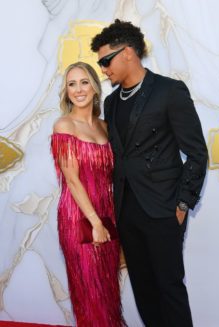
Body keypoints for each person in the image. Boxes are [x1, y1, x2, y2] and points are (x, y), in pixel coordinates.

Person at [90, 19, 208, 326]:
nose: (104, 69)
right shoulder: (112, 102)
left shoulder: (169, 91)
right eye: (100, 64)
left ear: (128, 52)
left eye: (106, 61)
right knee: (143, 288)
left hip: (164, 208)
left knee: (169, 287)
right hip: (127, 209)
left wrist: (183, 204)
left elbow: (197, 152)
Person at [51, 62, 124, 326]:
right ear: (66, 91)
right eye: (72, 84)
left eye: (84, 82)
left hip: (106, 215)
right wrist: (94, 223)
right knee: (90, 292)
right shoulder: (64, 126)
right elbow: (71, 179)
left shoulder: (105, 127)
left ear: (94, 86)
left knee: (107, 290)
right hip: (79, 217)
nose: (78, 89)